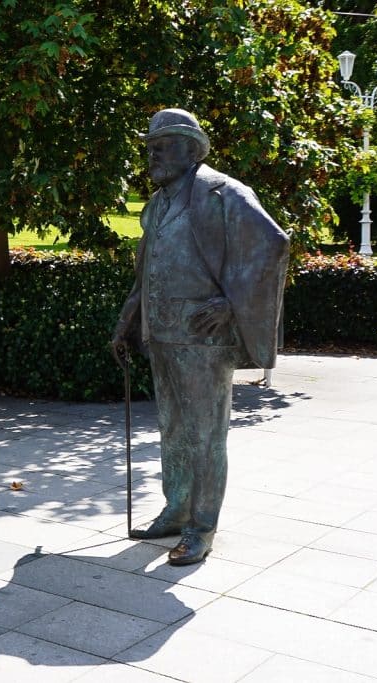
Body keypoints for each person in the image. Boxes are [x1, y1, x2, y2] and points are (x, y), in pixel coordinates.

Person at [112, 108, 289, 566]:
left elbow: (271, 247)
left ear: (192, 149)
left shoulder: (223, 193)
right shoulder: (158, 204)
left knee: (206, 434)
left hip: (204, 337)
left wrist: (232, 302)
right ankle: (177, 508)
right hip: (162, 334)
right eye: (150, 145)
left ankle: (201, 526)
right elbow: (145, 271)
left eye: (164, 144)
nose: (153, 152)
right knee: (172, 429)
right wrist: (128, 321)